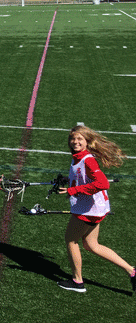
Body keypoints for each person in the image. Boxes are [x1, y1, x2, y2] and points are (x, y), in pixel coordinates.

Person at [56, 125, 135, 294]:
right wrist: (67, 180)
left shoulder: (88, 159)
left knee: (71, 240)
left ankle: (77, 282)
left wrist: (73, 190)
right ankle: (132, 271)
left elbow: (102, 183)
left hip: (89, 209)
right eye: (73, 139)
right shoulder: (78, 156)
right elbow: (82, 177)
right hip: (96, 208)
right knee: (91, 245)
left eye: (80, 139)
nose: (75, 142)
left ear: (87, 142)